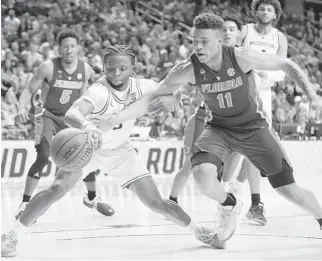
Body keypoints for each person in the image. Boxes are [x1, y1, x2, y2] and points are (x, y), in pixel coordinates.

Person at [1, 45, 224, 258]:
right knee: (57, 188)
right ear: (104, 68)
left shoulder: (144, 86)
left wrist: (172, 99)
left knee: (157, 203)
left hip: (120, 151)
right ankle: (12, 236)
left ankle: (200, 231)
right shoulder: (99, 90)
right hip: (89, 148)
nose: (116, 73)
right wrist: (88, 127)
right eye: (110, 68)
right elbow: (73, 113)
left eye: (122, 69)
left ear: (132, 70)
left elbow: (175, 91)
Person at [139, 13, 322, 244]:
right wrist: (171, 97)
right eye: (194, 40)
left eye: (204, 41)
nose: (198, 46)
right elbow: (158, 91)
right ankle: (229, 203)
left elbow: (286, 64)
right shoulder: (188, 68)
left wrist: (313, 97)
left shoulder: (241, 57)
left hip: (253, 127)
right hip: (220, 127)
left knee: (287, 189)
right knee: (201, 173)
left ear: (220, 41)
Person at [14, 29, 113, 221]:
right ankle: (25, 203)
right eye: (65, 47)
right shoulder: (48, 67)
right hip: (49, 117)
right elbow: (29, 90)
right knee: (43, 156)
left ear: (78, 48)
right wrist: (21, 107)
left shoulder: (85, 70)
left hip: (71, 119)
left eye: (73, 46)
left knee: (83, 156)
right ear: (59, 49)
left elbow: (84, 99)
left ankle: (91, 198)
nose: (69, 50)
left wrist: (90, 122)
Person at [221, 0, 288, 226]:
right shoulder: (245, 31)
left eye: (269, 9)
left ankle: (252, 201)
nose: (265, 11)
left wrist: (264, 76)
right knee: (238, 146)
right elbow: (230, 53)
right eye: (261, 8)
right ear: (256, 12)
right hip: (242, 91)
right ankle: (229, 190)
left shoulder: (279, 38)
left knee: (253, 146)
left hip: (264, 95)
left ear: (275, 14)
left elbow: (282, 68)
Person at [168, 14, 243, 204]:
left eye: (230, 30)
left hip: (225, 122)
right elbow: (182, 88)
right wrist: (178, 97)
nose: (227, 33)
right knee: (189, 166)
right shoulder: (200, 61)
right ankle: (172, 201)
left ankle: (229, 191)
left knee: (239, 150)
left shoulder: (240, 59)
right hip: (201, 119)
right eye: (223, 30)